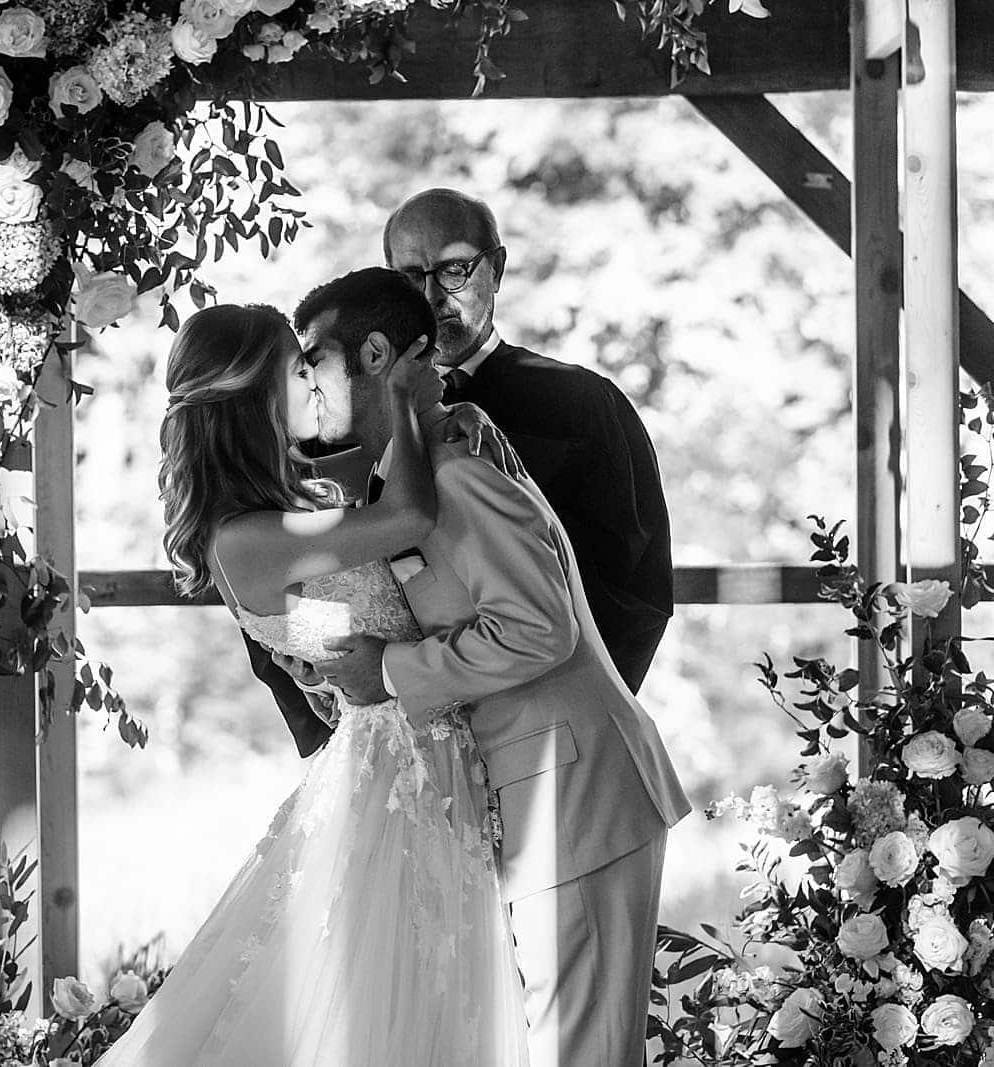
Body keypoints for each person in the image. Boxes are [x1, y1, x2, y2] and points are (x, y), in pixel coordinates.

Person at [98, 302, 532, 1066]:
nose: (313, 379)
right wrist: (400, 387)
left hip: (420, 747)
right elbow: (409, 514)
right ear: (256, 395)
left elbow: (325, 631)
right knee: (396, 1002)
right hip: (396, 767)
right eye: (297, 369)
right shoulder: (246, 538)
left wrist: (450, 418)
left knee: (434, 997)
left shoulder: (290, 510)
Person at [301, 268, 691, 1067]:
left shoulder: (455, 472)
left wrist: (394, 671)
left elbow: (540, 628)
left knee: (577, 1054)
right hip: (535, 799)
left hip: (575, 796)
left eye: (313, 360)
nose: (300, 382)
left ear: (373, 354)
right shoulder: (416, 468)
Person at [384, 187, 674, 695]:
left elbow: (637, 582)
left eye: (454, 271)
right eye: (410, 277)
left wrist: (571, 706)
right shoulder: (370, 412)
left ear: (496, 268)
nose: (431, 296)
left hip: (553, 705)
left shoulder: (584, 403)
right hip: (412, 705)